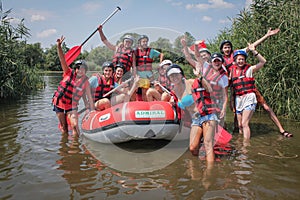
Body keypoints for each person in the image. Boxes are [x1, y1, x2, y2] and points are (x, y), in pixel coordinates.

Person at [221, 28, 292, 137]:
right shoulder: (221, 60)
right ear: (222, 49)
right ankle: (238, 133)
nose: (227, 49)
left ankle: (282, 130)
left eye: (228, 47)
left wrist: (267, 35)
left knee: (266, 108)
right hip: (234, 87)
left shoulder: (237, 54)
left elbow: (252, 46)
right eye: (225, 47)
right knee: (236, 112)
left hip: (247, 86)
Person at [52, 36, 95, 136]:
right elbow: (62, 59)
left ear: (85, 71)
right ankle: (65, 148)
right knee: (64, 127)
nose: (80, 71)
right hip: (59, 103)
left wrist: (90, 108)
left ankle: (76, 145)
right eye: (78, 69)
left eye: (83, 69)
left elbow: (88, 96)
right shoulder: (68, 73)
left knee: (75, 125)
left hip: (72, 106)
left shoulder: (86, 82)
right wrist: (59, 47)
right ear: (75, 69)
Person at [181, 38, 228, 127]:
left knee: (220, 123)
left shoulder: (223, 76)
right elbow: (196, 56)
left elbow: (225, 95)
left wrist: (224, 109)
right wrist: (195, 45)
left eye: (219, 61)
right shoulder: (205, 66)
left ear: (222, 62)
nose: (217, 63)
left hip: (217, 101)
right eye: (215, 61)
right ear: (211, 62)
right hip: (205, 100)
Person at [230, 43, 266, 140]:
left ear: (245, 60)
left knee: (244, 123)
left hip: (249, 97)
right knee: (240, 126)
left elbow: (263, 62)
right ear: (235, 61)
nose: (241, 61)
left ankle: (246, 148)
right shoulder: (232, 72)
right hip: (238, 99)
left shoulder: (249, 69)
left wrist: (253, 51)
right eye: (239, 59)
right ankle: (240, 143)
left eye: (242, 59)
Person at [135, 34, 164, 101]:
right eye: (143, 41)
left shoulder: (151, 51)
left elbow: (161, 54)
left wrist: (160, 64)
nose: (145, 43)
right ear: (140, 42)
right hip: (139, 74)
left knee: (147, 90)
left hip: (149, 74)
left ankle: (148, 103)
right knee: (141, 91)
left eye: (146, 41)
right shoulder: (136, 51)